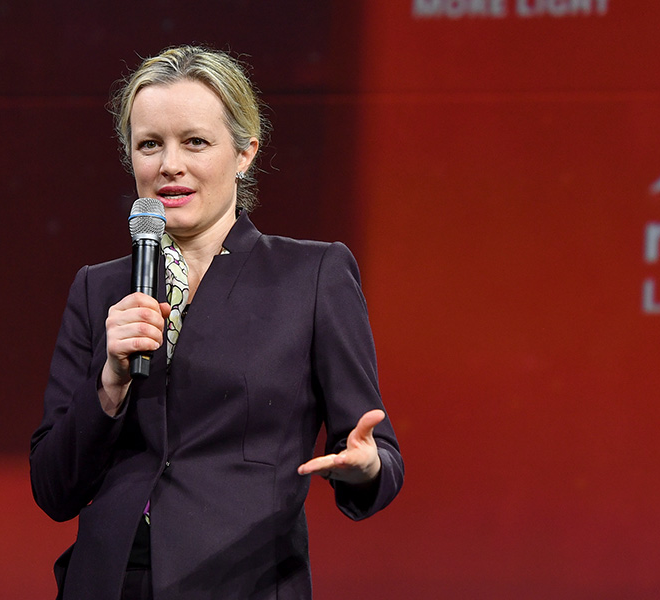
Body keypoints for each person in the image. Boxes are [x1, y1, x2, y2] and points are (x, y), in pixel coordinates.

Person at [30, 45, 404, 600]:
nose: (169, 165)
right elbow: (53, 488)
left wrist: (366, 466)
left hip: (243, 580)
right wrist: (109, 386)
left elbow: (382, 459)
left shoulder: (312, 275)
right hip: (109, 582)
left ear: (245, 152)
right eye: (149, 144)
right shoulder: (100, 288)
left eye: (195, 142)